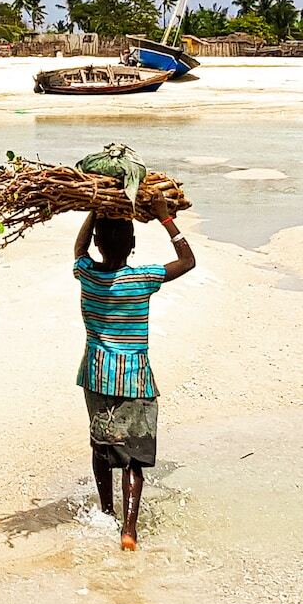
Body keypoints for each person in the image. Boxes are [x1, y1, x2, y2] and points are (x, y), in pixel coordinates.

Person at [72, 195, 195, 551]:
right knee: (133, 457)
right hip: (134, 377)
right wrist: (164, 218)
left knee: (101, 445)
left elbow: (79, 248)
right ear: (133, 245)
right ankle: (129, 530)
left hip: (95, 375)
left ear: (98, 243)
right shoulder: (143, 277)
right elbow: (188, 261)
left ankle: (106, 511)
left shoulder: (87, 274)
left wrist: (95, 209)